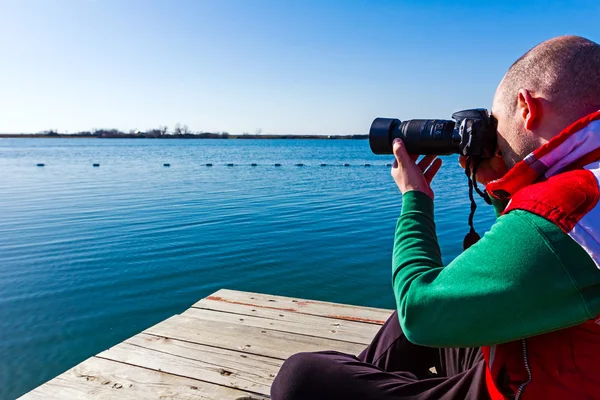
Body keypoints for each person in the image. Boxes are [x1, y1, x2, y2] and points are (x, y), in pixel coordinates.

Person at [270, 35, 600, 400]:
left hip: (521, 389)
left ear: (526, 107)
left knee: (300, 378)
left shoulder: (572, 207)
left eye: (497, 124)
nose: (494, 137)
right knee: (440, 300)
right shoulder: (582, 188)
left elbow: (420, 311)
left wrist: (415, 199)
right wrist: (498, 183)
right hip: (542, 365)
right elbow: (528, 268)